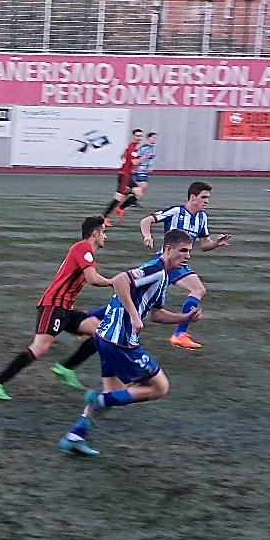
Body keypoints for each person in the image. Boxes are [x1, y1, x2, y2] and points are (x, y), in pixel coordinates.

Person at [57, 229, 203, 457]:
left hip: (104, 338)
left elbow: (156, 314)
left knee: (115, 395)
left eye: (189, 252)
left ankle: (75, 436)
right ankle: (99, 399)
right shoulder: (155, 269)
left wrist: (184, 318)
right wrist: (134, 316)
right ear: (168, 249)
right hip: (120, 341)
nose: (187, 256)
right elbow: (121, 280)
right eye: (183, 250)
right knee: (159, 387)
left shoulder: (163, 276)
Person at [0, 216, 114, 400]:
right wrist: (113, 282)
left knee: (101, 331)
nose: (105, 237)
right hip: (53, 305)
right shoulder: (82, 247)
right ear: (95, 233)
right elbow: (92, 279)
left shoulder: (85, 252)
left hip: (65, 308)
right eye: (104, 232)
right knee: (40, 347)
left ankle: (65, 368)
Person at [136, 181, 230, 350]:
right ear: (193, 197)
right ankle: (178, 334)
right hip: (164, 262)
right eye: (203, 197)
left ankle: (180, 334)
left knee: (196, 290)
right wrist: (147, 236)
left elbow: (204, 244)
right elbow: (146, 221)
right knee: (139, 298)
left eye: (208, 198)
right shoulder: (176, 211)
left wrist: (216, 243)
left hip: (178, 264)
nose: (207, 201)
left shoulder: (202, 218)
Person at [102, 128, 144, 223]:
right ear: (133, 136)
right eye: (137, 136)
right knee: (118, 198)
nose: (139, 138)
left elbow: (123, 156)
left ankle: (120, 208)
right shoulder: (132, 149)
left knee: (139, 193)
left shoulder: (131, 147)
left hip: (128, 176)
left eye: (140, 136)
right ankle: (104, 217)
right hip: (124, 176)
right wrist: (144, 158)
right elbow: (134, 162)